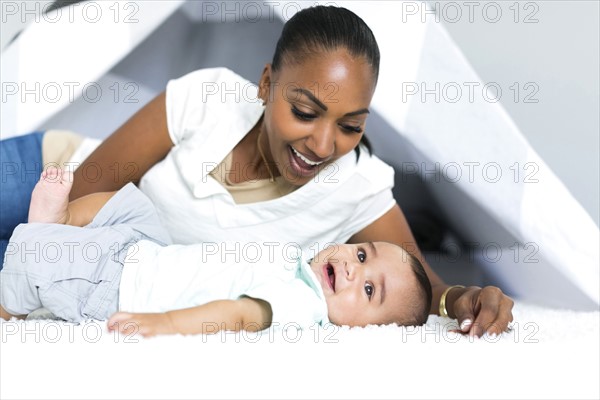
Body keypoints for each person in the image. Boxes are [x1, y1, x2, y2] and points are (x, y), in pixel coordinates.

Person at [0, 6, 512, 337]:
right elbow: (92, 188)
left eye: (350, 125)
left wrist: (465, 299)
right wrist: (40, 253)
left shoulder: (357, 184)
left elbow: (417, 284)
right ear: (267, 84)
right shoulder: (208, 98)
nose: (323, 144)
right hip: (55, 177)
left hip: (94, 264)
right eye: (306, 112)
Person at [0, 168, 432, 337]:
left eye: (371, 289)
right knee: (134, 205)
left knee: (35, 264)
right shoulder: (299, 264)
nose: (355, 270)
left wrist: (164, 323)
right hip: (150, 253)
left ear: (369, 330)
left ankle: (11, 305)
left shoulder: (300, 305)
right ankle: (59, 220)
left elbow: (237, 314)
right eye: (361, 254)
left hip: (122, 287)